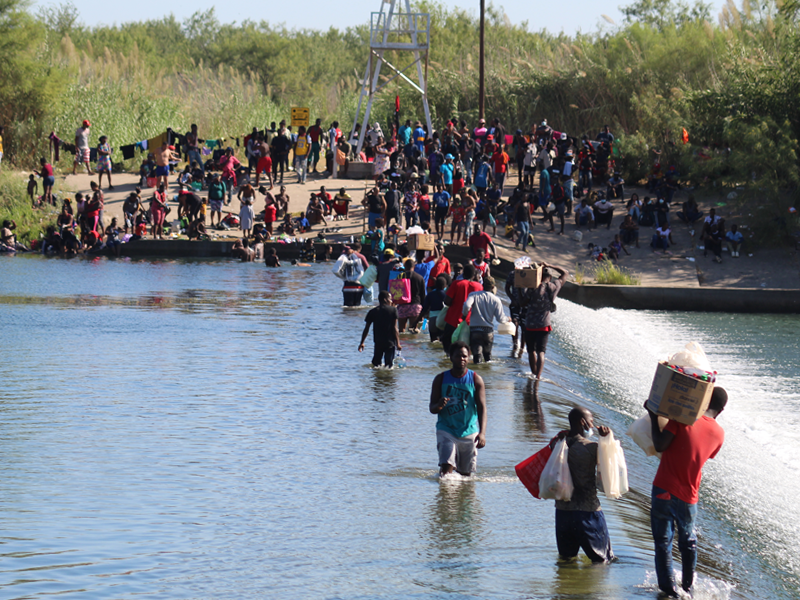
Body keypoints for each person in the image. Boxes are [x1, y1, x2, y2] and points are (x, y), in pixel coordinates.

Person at [647, 387, 728, 597]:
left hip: (664, 487)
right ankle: (687, 588)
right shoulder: (719, 434)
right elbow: (704, 454)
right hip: (689, 495)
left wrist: (653, 414)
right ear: (722, 409)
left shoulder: (684, 418)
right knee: (688, 541)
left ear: (704, 399)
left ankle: (669, 590)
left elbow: (660, 444)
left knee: (663, 541)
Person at [550, 407, 615, 563]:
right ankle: (593, 589)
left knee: (566, 560)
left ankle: (564, 587)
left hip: (563, 512)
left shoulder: (556, 445)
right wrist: (607, 440)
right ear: (582, 422)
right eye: (591, 421)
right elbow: (611, 467)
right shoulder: (591, 448)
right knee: (602, 561)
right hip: (588, 512)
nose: (592, 426)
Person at [429, 342, 487, 477]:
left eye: (464, 356)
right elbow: (432, 408)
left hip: (469, 432)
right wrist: (439, 405)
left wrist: (482, 433)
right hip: (446, 430)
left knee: (465, 476)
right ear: (451, 357)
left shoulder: (475, 379)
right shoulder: (441, 379)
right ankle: (445, 497)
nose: (462, 359)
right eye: (458, 356)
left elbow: (482, 408)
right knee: (446, 474)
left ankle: (461, 498)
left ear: (469, 357)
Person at [522, 263, 568, 380]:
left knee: (531, 350)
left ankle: (533, 373)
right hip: (544, 325)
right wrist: (550, 265)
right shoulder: (553, 287)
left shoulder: (532, 287)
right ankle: (538, 377)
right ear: (550, 277)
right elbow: (565, 273)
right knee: (541, 352)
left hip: (530, 324)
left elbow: (523, 301)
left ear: (539, 275)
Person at [462, 276, 509, 363]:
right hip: (488, 332)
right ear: (493, 287)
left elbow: (467, 306)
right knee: (487, 356)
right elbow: (500, 319)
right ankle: (487, 375)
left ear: (483, 285)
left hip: (475, 330)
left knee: (477, 355)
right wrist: (507, 319)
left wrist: (464, 315)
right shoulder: (496, 300)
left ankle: (477, 373)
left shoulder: (473, 295)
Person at [442, 263, 482, 355]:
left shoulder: (456, 284)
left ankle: (449, 360)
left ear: (463, 273)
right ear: (474, 275)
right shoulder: (479, 286)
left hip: (453, 319)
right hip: (470, 322)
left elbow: (447, 301)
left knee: (447, 343)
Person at [359, 290, 402, 368]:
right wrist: (398, 343)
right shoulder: (393, 310)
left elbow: (366, 329)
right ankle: (387, 379)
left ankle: (376, 379)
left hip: (378, 342)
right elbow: (395, 328)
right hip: (390, 342)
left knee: (376, 364)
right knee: (389, 365)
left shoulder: (373, 311)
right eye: (390, 299)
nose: (391, 301)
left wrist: (362, 342)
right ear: (385, 299)